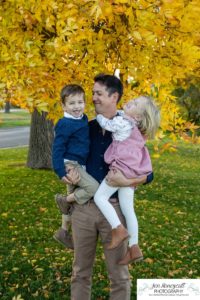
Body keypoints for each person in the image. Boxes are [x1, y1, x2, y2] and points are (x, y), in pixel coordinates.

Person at [69, 74, 154, 300]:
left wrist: (127, 182)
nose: (93, 97)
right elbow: (70, 158)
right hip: (84, 210)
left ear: (114, 96)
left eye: (98, 93)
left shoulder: (131, 128)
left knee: (119, 275)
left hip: (115, 209)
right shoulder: (85, 128)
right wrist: (67, 173)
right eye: (93, 93)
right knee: (79, 273)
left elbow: (149, 173)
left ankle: (129, 242)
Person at [94, 96, 160, 265]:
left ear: (137, 117)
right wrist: (120, 112)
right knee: (128, 209)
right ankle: (134, 247)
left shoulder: (123, 123)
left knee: (100, 198)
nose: (132, 101)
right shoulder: (135, 127)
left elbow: (107, 124)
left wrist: (99, 115)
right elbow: (123, 113)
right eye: (134, 99)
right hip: (132, 170)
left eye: (136, 104)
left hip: (121, 169)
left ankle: (118, 229)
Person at [52, 84, 99, 249]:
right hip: (71, 165)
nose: (77, 106)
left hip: (80, 164)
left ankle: (63, 232)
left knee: (72, 204)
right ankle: (63, 200)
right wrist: (59, 171)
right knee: (93, 188)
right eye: (72, 103)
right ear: (64, 106)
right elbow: (57, 149)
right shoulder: (65, 123)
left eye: (80, 102)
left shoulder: (83, 119)